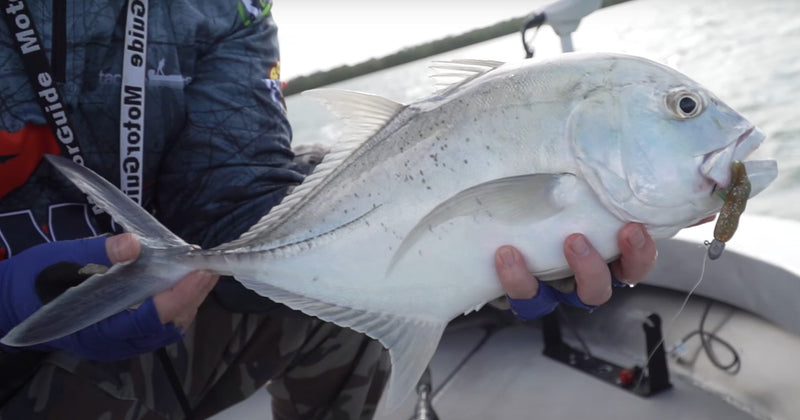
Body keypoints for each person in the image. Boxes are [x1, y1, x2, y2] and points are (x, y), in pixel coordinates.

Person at [0, 1, 658, 419]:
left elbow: (232, 204)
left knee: (348, 308)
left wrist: (498, 248)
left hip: (176, 317)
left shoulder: (224, 10)